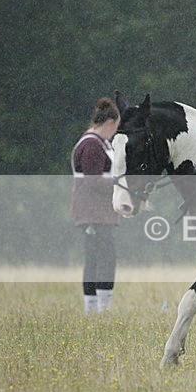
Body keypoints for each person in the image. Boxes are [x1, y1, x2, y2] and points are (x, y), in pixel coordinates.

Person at [71, 97, 120, 314]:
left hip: (103, 212)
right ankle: (97, 310)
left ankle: (97, 309)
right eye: (116, 126)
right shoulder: (91, 144)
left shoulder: (102, 143)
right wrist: (121, 185)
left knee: (102, 259)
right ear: (110, 123)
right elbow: (93, 181)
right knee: (100, 260)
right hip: (93, 212)